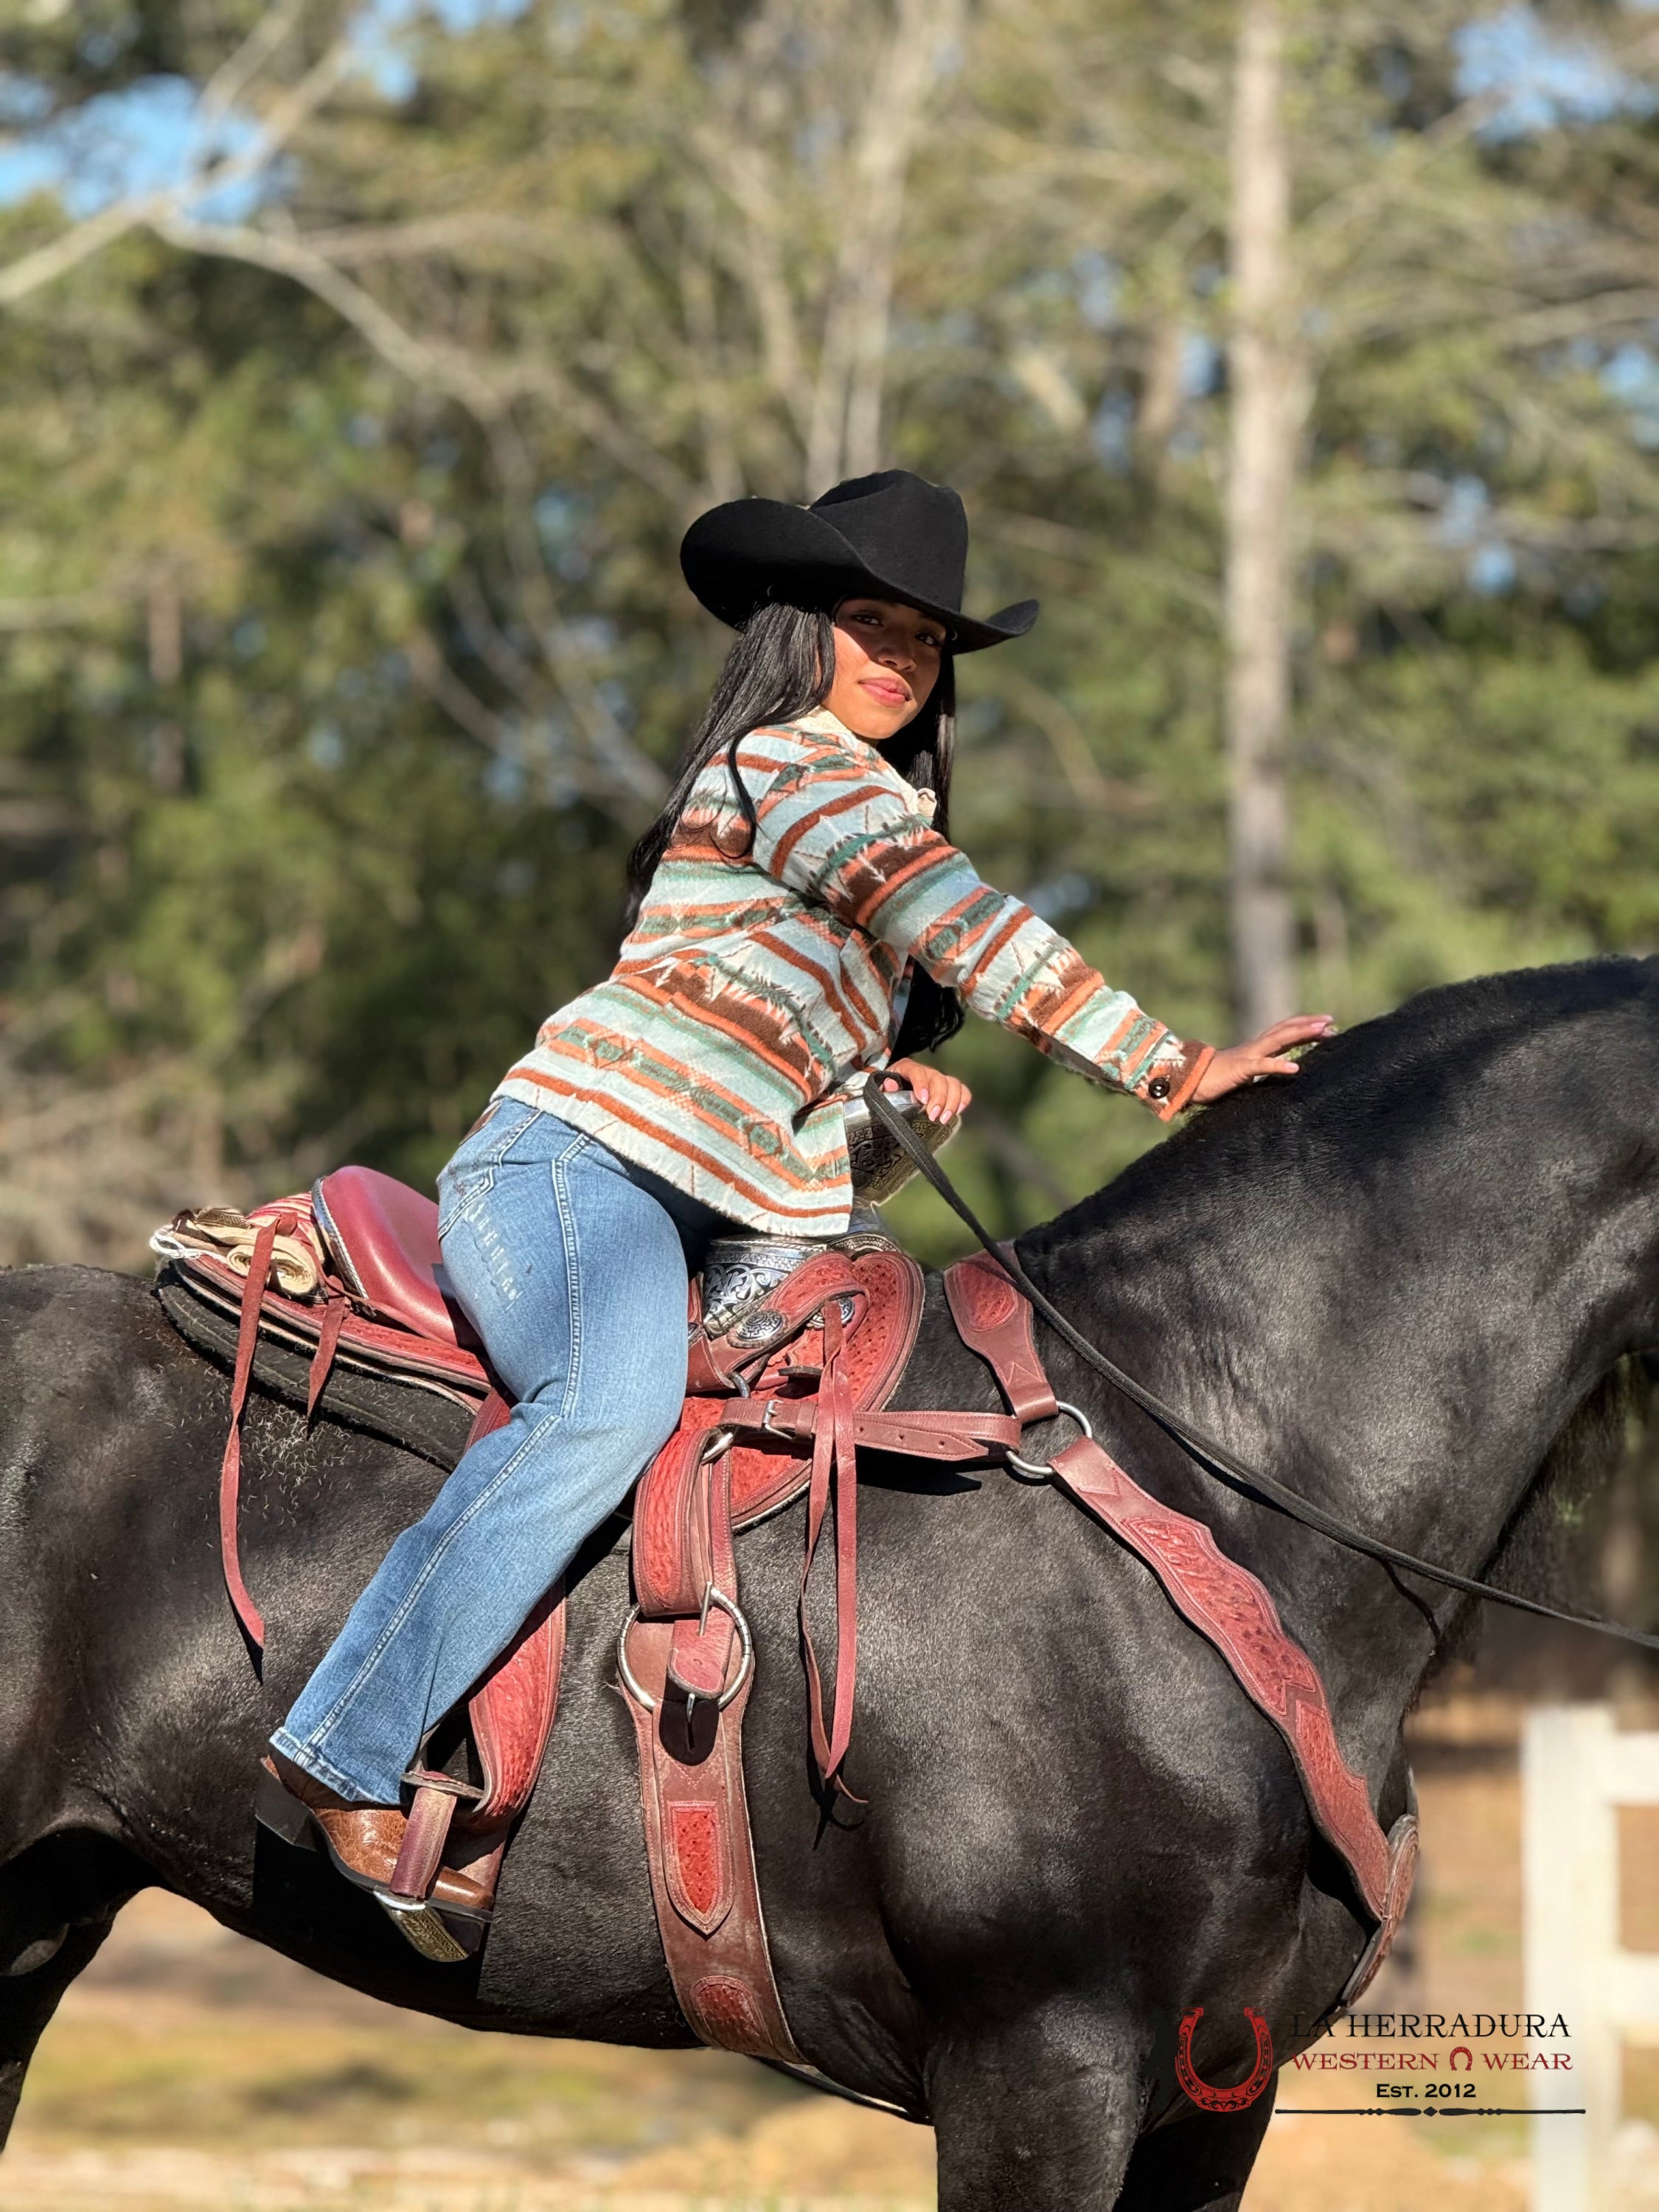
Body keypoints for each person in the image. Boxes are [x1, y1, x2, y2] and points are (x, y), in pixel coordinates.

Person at [263, 469, 1332, 1937]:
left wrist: (882, 1128)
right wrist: (1174, 1067)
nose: (900, 659)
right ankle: (346, 1738)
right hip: (579, 1167)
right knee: (606, 1403)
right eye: (869, 622)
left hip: (717, 1216)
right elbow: (971, 921)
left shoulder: (869, 850)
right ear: (797, 635)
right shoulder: (791, 767)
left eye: (928, 642)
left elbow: (784, 1157)